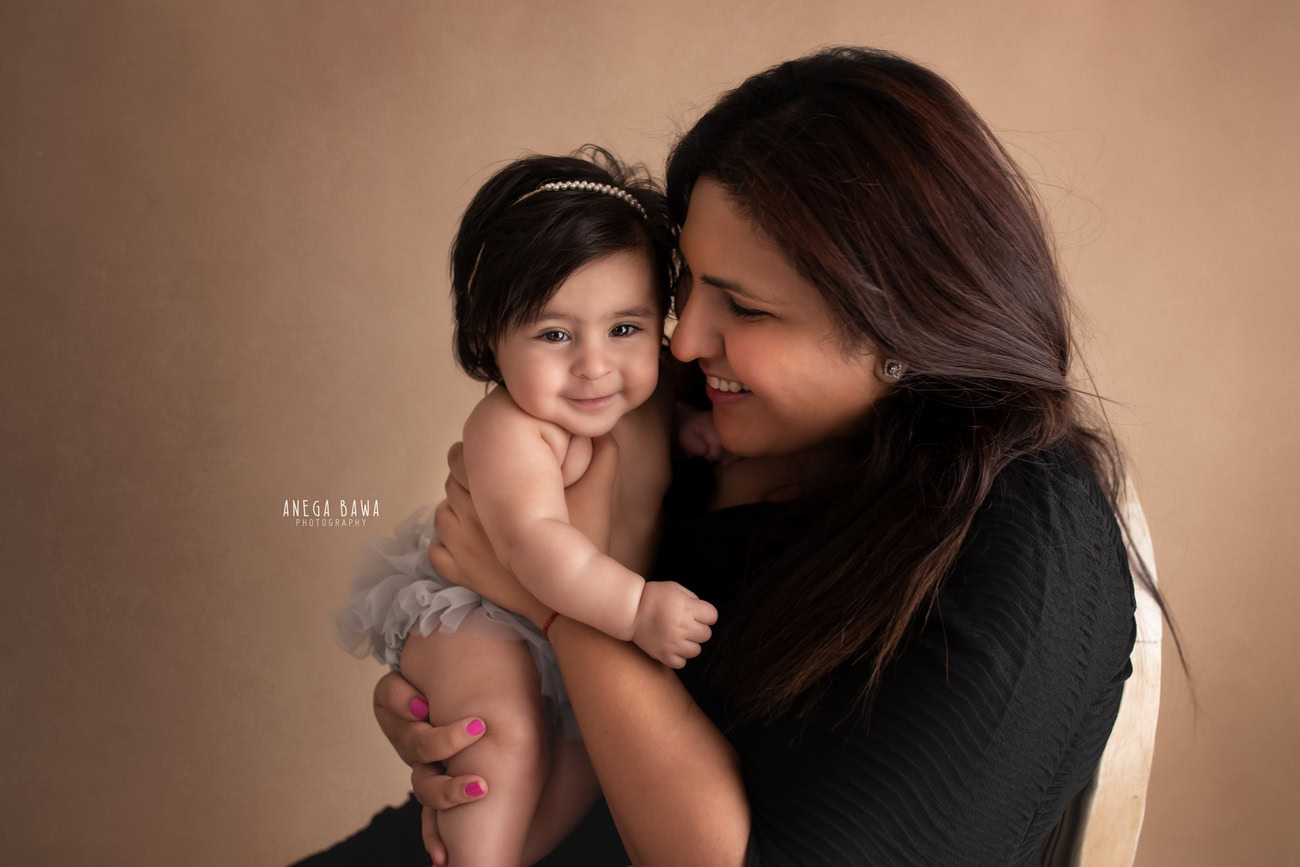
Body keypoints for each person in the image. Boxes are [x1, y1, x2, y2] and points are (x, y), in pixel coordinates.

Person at [298, 45, 1185, 866]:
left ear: (901, 329)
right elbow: (479, 565)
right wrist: (452, 699)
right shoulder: (678, 407)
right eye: (685, 286)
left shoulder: (1023, 550)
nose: (685, 341)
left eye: (744, 307)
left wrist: (563, 615)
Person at [333, 149, 716, 866]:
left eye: (625, 328)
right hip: (486, 613)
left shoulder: (652, 392)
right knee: (503, 731)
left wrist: (692, 429)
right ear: (488, 338)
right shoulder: (512, 428)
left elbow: (657, 432)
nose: (595, 364)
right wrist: (635, 610)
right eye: (554, 334)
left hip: (583, 628)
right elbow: (533, 540)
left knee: (593, 763)